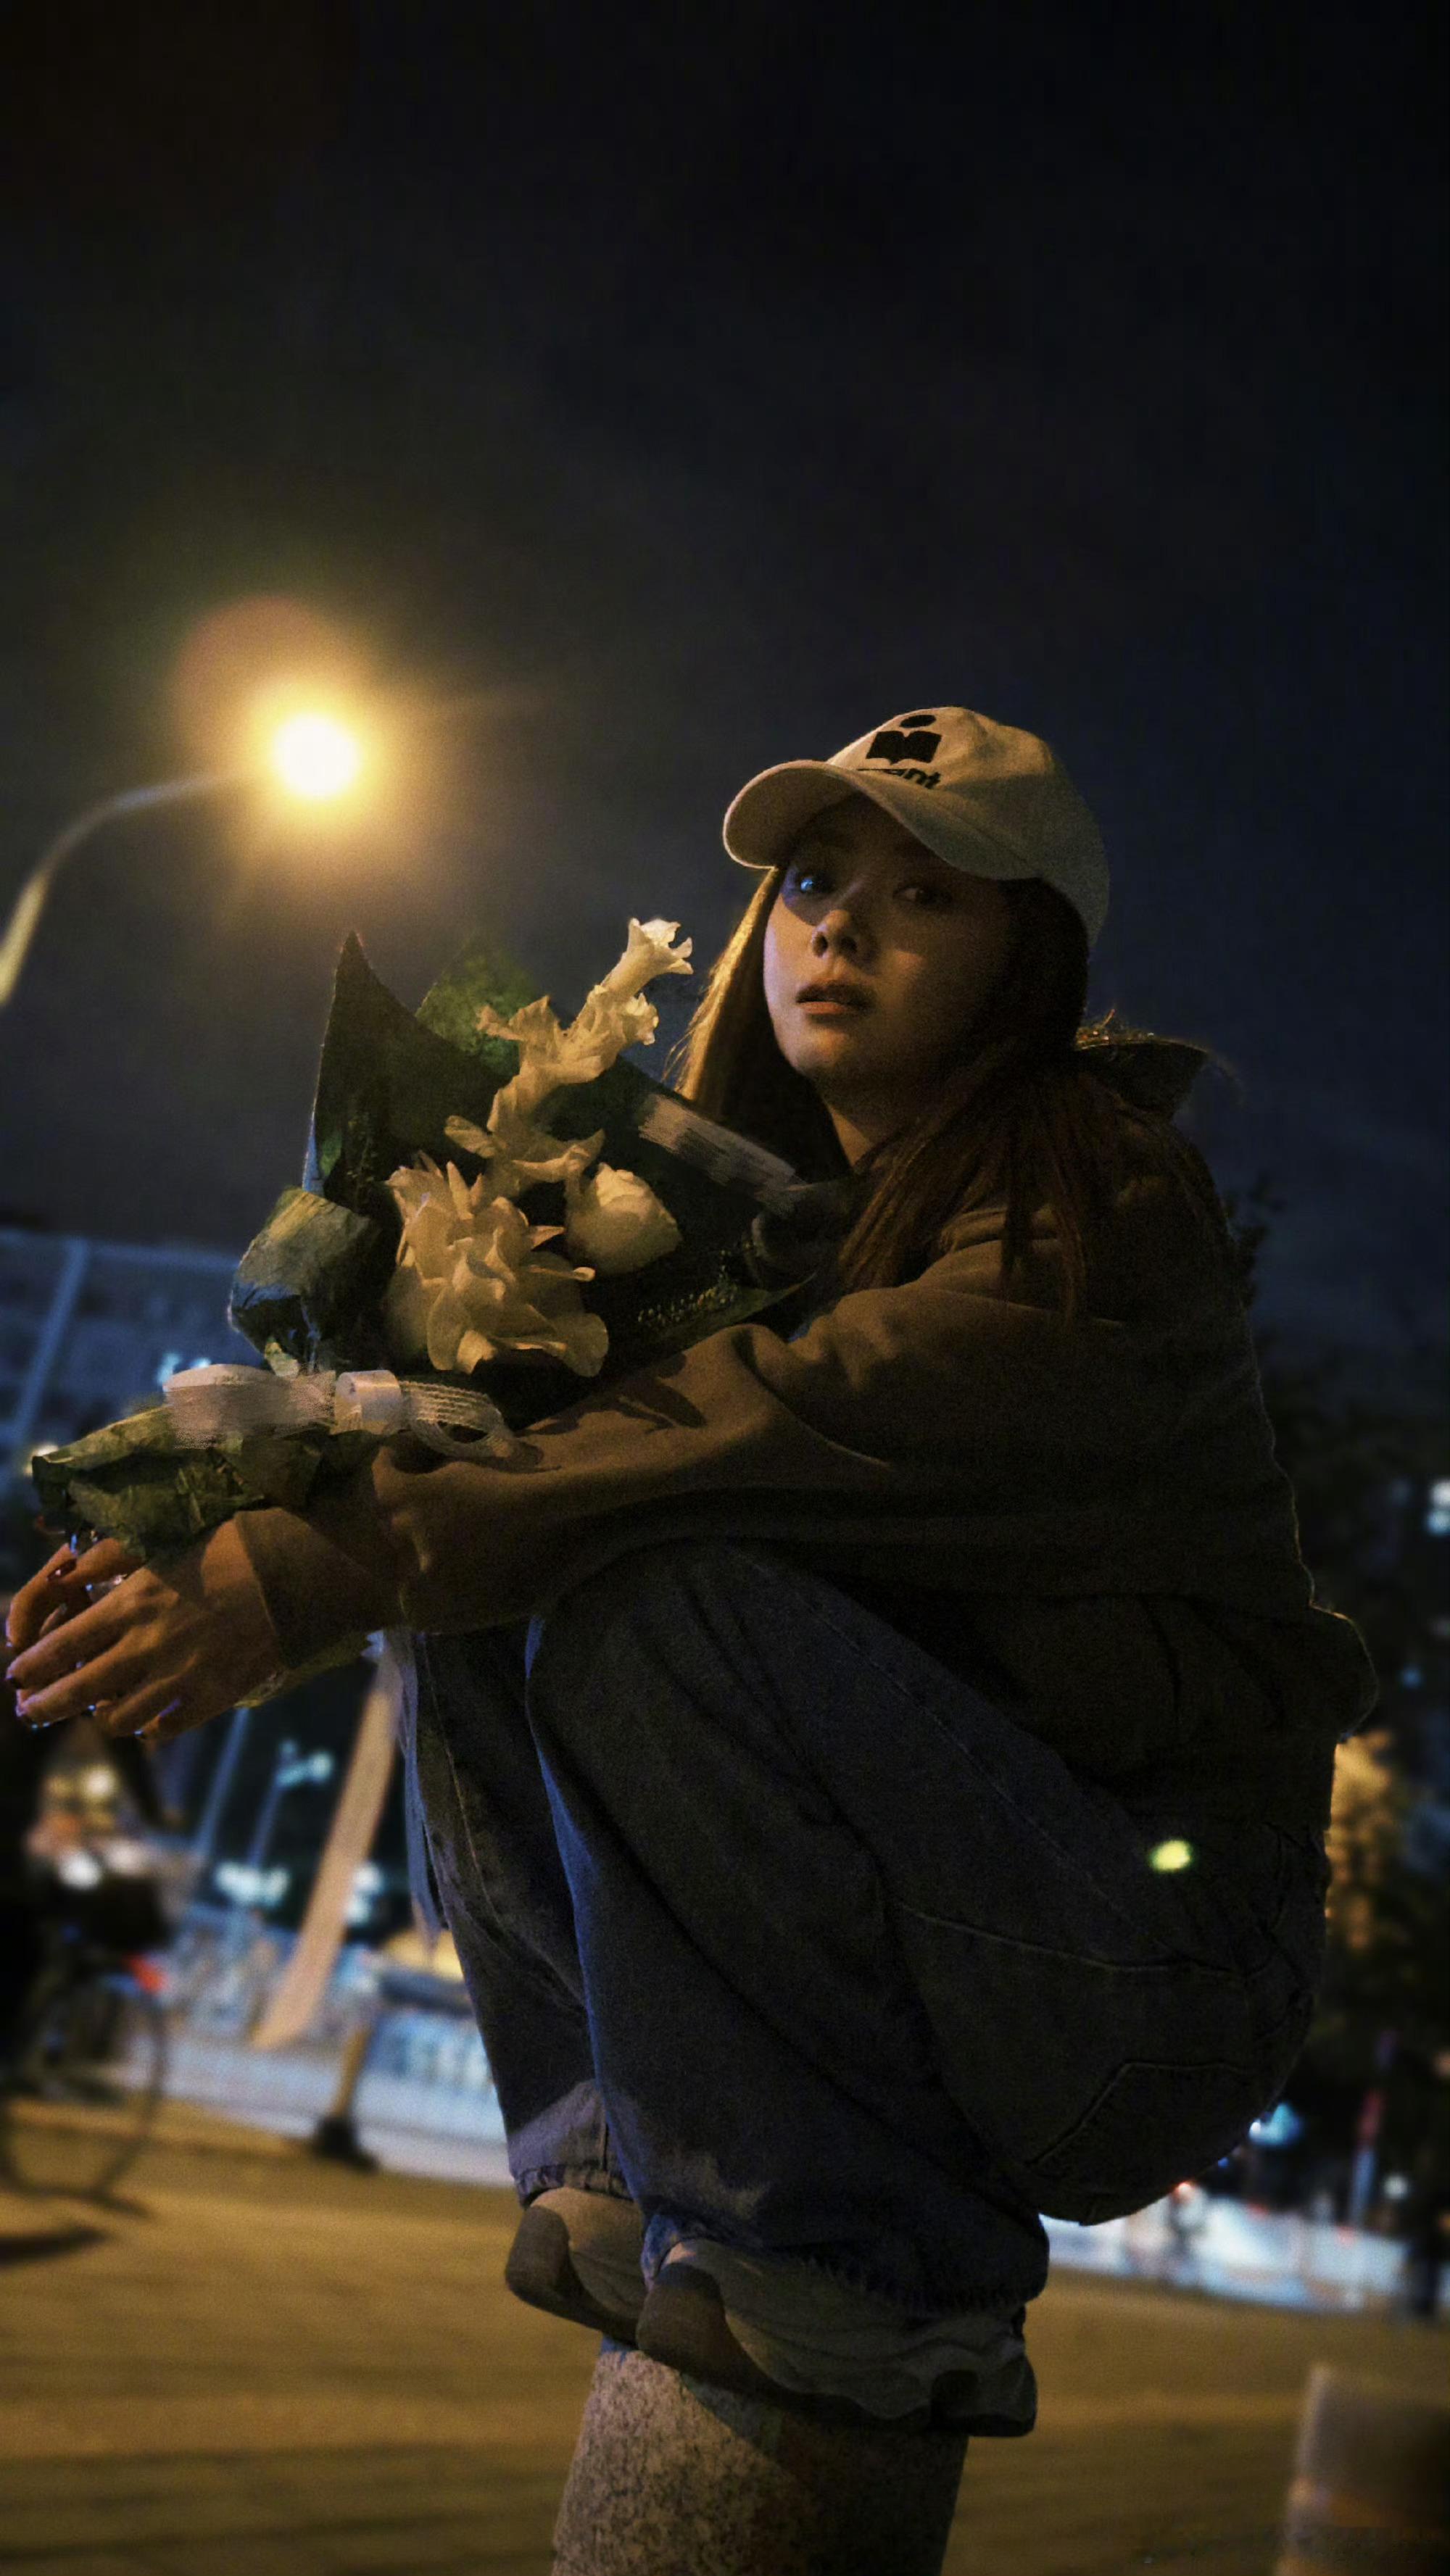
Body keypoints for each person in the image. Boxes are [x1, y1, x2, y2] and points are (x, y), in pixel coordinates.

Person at [4, 705, 1375, 2434]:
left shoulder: (1096, 1207)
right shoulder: (785, 1236)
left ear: (1027, 958)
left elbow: (776, 1423)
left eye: (923, 893)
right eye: (811, 880)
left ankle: (877, 2271)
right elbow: (558, 1464)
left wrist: (312, 1567)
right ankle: (602, 2140)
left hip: (1140, 1975)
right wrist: (211, 1509)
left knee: (640, 1573)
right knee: (506, 1545)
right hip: (984, 1919)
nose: (840, 926)